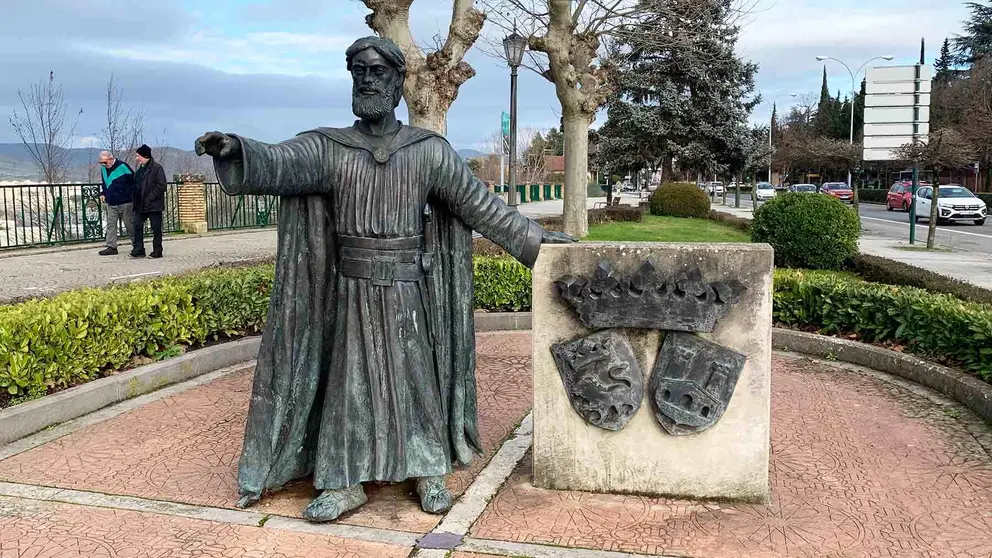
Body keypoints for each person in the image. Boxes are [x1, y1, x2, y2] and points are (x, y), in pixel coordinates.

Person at [195, 36, 573, 523]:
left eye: (377, 72)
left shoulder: (426, 151)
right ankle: (343, 480)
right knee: (347, 384)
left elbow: (482, 208)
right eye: (359, 73)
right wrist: (236, 150)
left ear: (397, 82)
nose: (367, 80)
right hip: (350, 291)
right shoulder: (329, 149)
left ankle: (427, 471)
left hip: (406, 290)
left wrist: (540, 246)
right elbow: (279, 163)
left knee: (415, 379)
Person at [131, 144, 167, 258]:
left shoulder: (157, 168)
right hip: (140, 204)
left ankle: (157, 250)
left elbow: (161, 186)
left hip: (153, 204)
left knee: (156, 228)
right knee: (137, 225)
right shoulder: (139, 170)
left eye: (139, 156)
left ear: (145, 156)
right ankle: (138, 249)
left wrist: (149, 198)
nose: (137, 158)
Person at [97, 150, 135, 255]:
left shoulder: (123, 166)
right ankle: (111, 247)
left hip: (125, 201)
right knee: (111, 225)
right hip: (111, 201)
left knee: (129, 224)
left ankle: (137, 245)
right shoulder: (103, 169)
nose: (103, 165)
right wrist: (102, 193)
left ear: (111, 159)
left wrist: (130, 194)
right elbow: (105, 183)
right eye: (101, 163)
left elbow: (134, 181)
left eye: (104, 162)